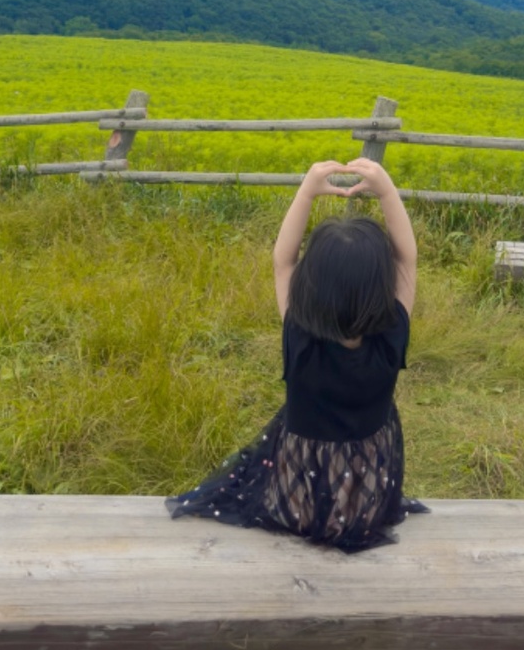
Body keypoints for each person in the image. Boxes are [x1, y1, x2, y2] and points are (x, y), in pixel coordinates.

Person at [168, 156, 426, 552]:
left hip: (296, 502)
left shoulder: (300, 336)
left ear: (310, 285)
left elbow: (281, 261)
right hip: (366, 504)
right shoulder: (391, 336)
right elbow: (407, 258)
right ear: (383, 286)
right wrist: (387, 190)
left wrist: (307, 189)